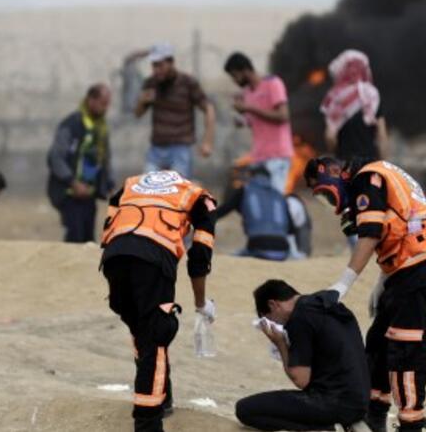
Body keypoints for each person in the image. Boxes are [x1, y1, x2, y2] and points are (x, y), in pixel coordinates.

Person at [305, 156, 426, 432]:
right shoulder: (379, 173)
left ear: (335, 172)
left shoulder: (366, 178)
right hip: (409, 266)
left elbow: (372, 233)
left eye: (324, 192)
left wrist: (341, 286)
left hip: (418, 266)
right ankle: (374, 412)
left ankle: (411, 421)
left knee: (404, 346)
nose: (329, 202)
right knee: (379, 342)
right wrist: (383, 279)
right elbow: (397, 223)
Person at [101, 170, 217, 432]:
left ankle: (162, 397)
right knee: (156, 333)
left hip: (114, 257)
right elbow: (199, 258)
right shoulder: (200, 198)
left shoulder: (133, 185)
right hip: (152, 261)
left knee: (143, 330)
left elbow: (113, 204)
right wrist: (201, 304)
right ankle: (147, 423)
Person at [238, 280, 370, 432]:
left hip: (335, 402)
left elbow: (300, 379)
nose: (273, 324)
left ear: (273, 305)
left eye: (268, 319)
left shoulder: (299, 318)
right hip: (360, 402)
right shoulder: (324, 303)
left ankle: (329, 428)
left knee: (245, 410)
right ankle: (345, 423)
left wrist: (280, 344)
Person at [134, 43, 215, 178]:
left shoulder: (188, 83)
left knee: (176, 192)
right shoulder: (151, 83)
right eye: (154, 66)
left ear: (171, 62)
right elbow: (138, 113)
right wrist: (142, 102)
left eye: (160, 65)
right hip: (156, 148)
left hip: (180, 148)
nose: (157, 70)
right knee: (149, 191)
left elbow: (208, 108)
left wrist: (207, 142)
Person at [47, 83, 114, 243]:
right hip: (69, 193)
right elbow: (55, 157)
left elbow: (105, 157)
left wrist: (109, 184)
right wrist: (72, 182)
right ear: (91, 100)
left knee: (88, 240)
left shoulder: (100, 127)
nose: (106, 109)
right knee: (74, 238)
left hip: (89, 194)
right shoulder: (72, 124)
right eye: (103, 104)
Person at [225, 52, 294, 191]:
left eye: (234, 76)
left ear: (245, 70)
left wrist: (249, 108)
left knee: (274, 201)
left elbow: (283, 116)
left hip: (277, 156)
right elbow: (255, 120)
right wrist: (242, 119)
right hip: (259, 156)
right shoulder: (248, 93)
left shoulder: (273, 83)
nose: (234, 81)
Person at [321, 50, 388, 163]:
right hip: (369, 163)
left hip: (344, 164)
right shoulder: (371, 95)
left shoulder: (334, 98)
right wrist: (384, 164)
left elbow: (330, 137)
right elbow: (381, 135)